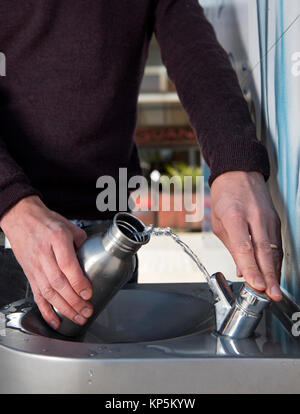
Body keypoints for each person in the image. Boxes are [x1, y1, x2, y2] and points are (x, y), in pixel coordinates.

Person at [0, 0, 283, 331]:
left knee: (104, 379)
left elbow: (196, 55)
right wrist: (12, 203)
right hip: (9, 231)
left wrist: (236, 166)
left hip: (106, 239)